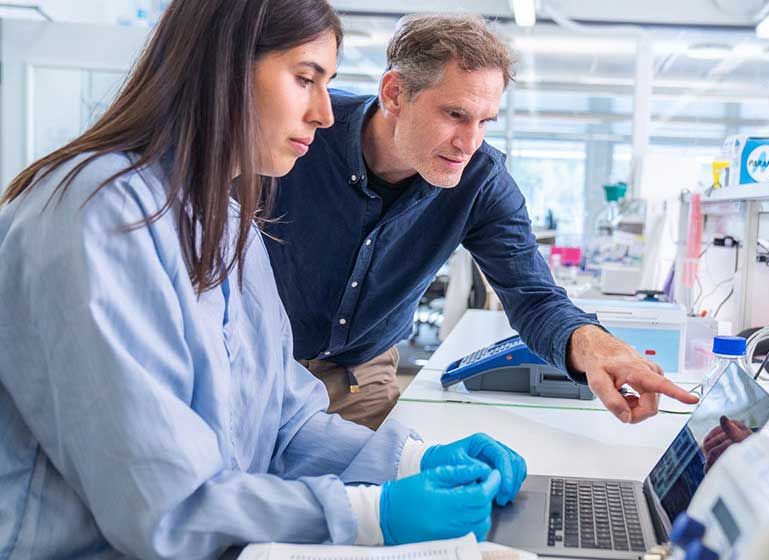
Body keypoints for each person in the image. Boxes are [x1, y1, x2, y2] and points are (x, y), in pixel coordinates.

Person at [0, 2, 524, 558]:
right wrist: (371, 513)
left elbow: (285, 421)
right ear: (222, 70)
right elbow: (163, 503)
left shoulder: (228, 222)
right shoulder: (101, 217)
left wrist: (414, 460)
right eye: (305, 80)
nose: (325, 114)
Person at [266, 14, 699, 429]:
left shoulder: (481, 182)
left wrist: (596, 345)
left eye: (484, 122)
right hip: (258, 356)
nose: (469, 143)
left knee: (365, 492)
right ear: (395, 93)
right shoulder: (301, 130)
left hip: (360, 374)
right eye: (455, 114)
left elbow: (535, 298)